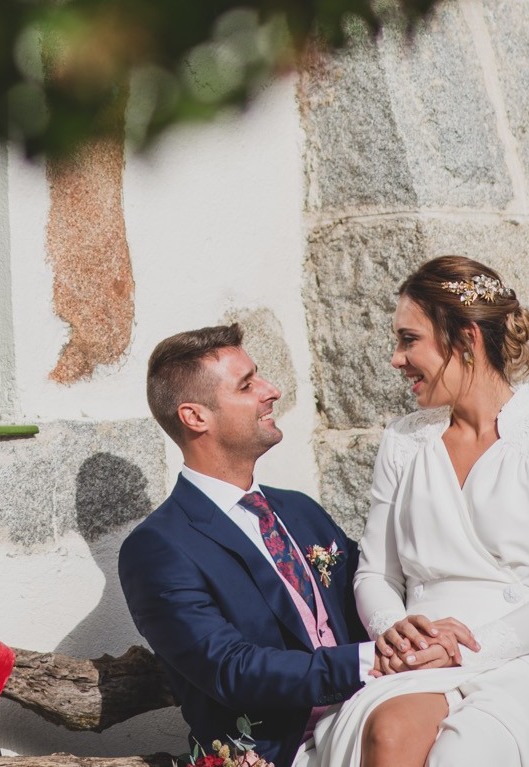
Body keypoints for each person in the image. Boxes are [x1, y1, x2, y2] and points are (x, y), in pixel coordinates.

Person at [306, 255, 529, 767]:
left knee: (464, 755)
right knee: (385, 734)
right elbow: (375, 572)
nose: (395, 360)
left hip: (525, 657)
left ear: (465, 341)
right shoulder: (403, 442)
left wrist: (466, 648)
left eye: (409, 340)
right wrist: (393, 627)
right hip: (421, 657)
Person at [118, 323, 390, 767]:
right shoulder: (157, 548)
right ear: (196, 417)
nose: (272, 390)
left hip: (371, 714)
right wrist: (368, 661)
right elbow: (231, 669)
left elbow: (369, 581)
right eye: (248, 385)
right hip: (281, 754)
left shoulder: (300, 511)